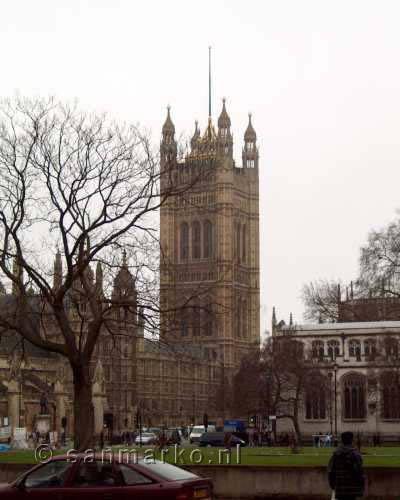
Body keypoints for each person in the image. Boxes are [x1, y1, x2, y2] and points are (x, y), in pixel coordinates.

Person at [328, 431, 365, 500]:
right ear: (352, 440)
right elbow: (360, 472)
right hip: (352, 490)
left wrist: (333, 485)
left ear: (342, 440)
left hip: (340, 489)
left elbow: (330, 471)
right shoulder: (356, 455)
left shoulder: (336, 454)